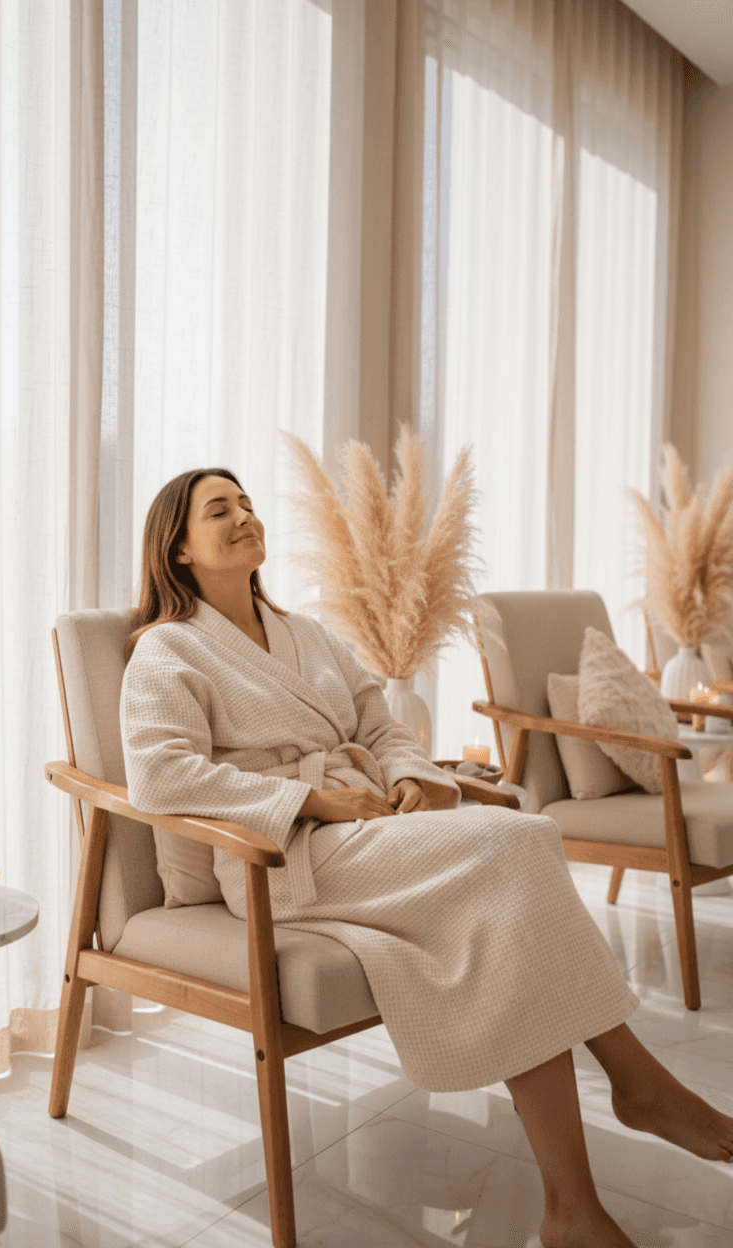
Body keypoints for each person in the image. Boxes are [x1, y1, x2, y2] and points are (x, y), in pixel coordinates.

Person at [120, 467, 733, 1248]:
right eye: (219, 509)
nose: (244, 516)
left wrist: (410, 773)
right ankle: (635, 1092)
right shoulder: (165, 650)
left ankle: (574, 1204)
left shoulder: (304, 633)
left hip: (366, 827)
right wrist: (313, 800)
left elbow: (377, 716)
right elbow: (161, 774)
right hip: (281, 857)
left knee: (511, 890)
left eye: (246, 503)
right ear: (177, 547)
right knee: (519, 839)